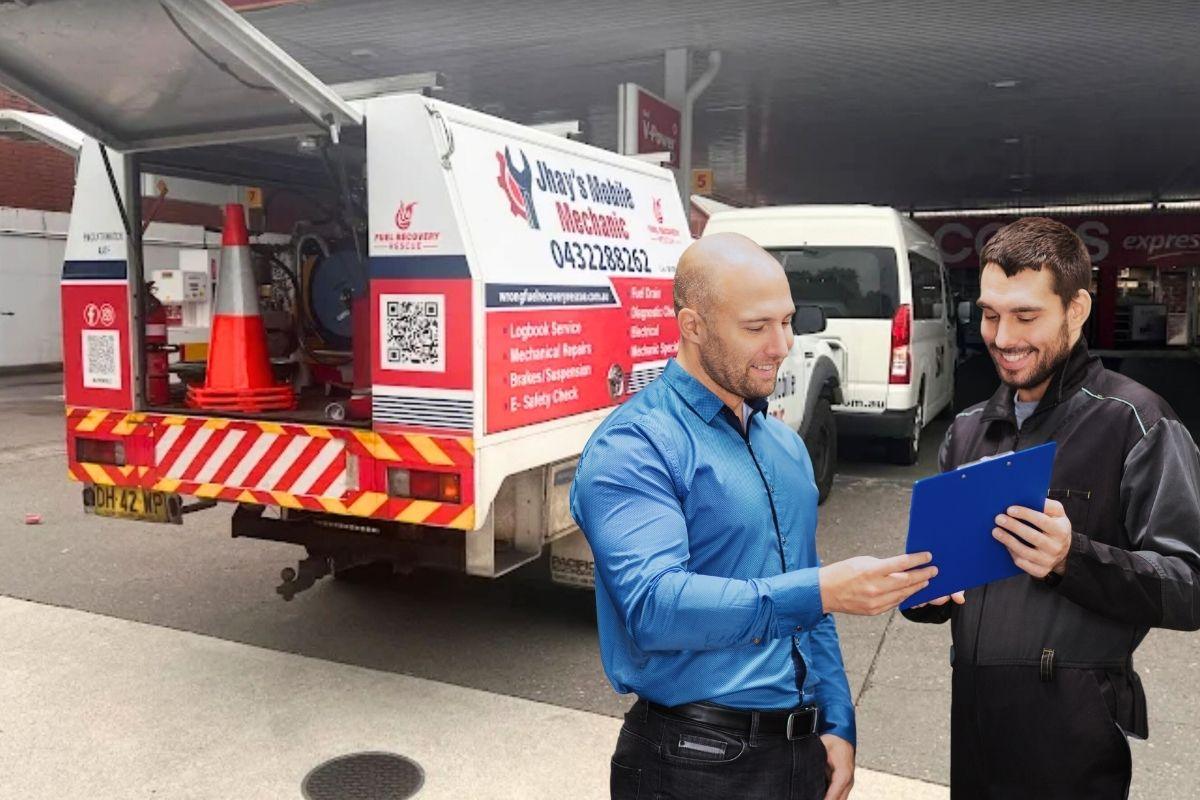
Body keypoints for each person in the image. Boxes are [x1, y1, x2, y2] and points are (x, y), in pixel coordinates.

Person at [571, 232, 937, 800]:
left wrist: (837, 720)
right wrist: (820, 591)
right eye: (756, 327)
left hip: (797, 750)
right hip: (691, 762)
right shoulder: (636, 444)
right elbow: (653, 607)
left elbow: (810, 599)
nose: (781, 345)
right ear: (692, 326)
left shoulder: (783, 447)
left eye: (788, 321)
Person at [903, 217, 1200, 799]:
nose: (1002, 335)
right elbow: (935, 591)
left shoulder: (1136, 423)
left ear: (1078, 309)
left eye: (1026, 315)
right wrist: (924, 590)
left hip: (1073, 739)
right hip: (976, 731)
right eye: (990, 314)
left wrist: (1073, 558)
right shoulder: (966, 431)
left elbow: (1191, 584)